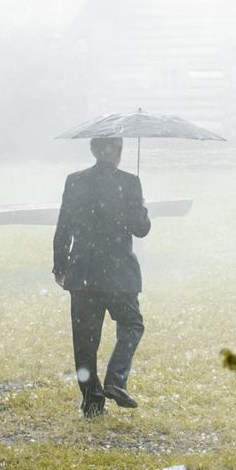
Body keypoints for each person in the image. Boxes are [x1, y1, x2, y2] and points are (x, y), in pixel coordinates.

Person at [52, 136, 152, 417]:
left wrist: (60, 266)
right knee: (132, 324)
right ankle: (116, 379)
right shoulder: (130, 182)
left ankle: (92, 402)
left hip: (83, 272)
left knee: (84, 342)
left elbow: (64, 227)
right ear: (118, 152)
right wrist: (141, 207)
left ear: (93, 150)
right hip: (119, 273)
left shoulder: (75, 181)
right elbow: (140, 228)